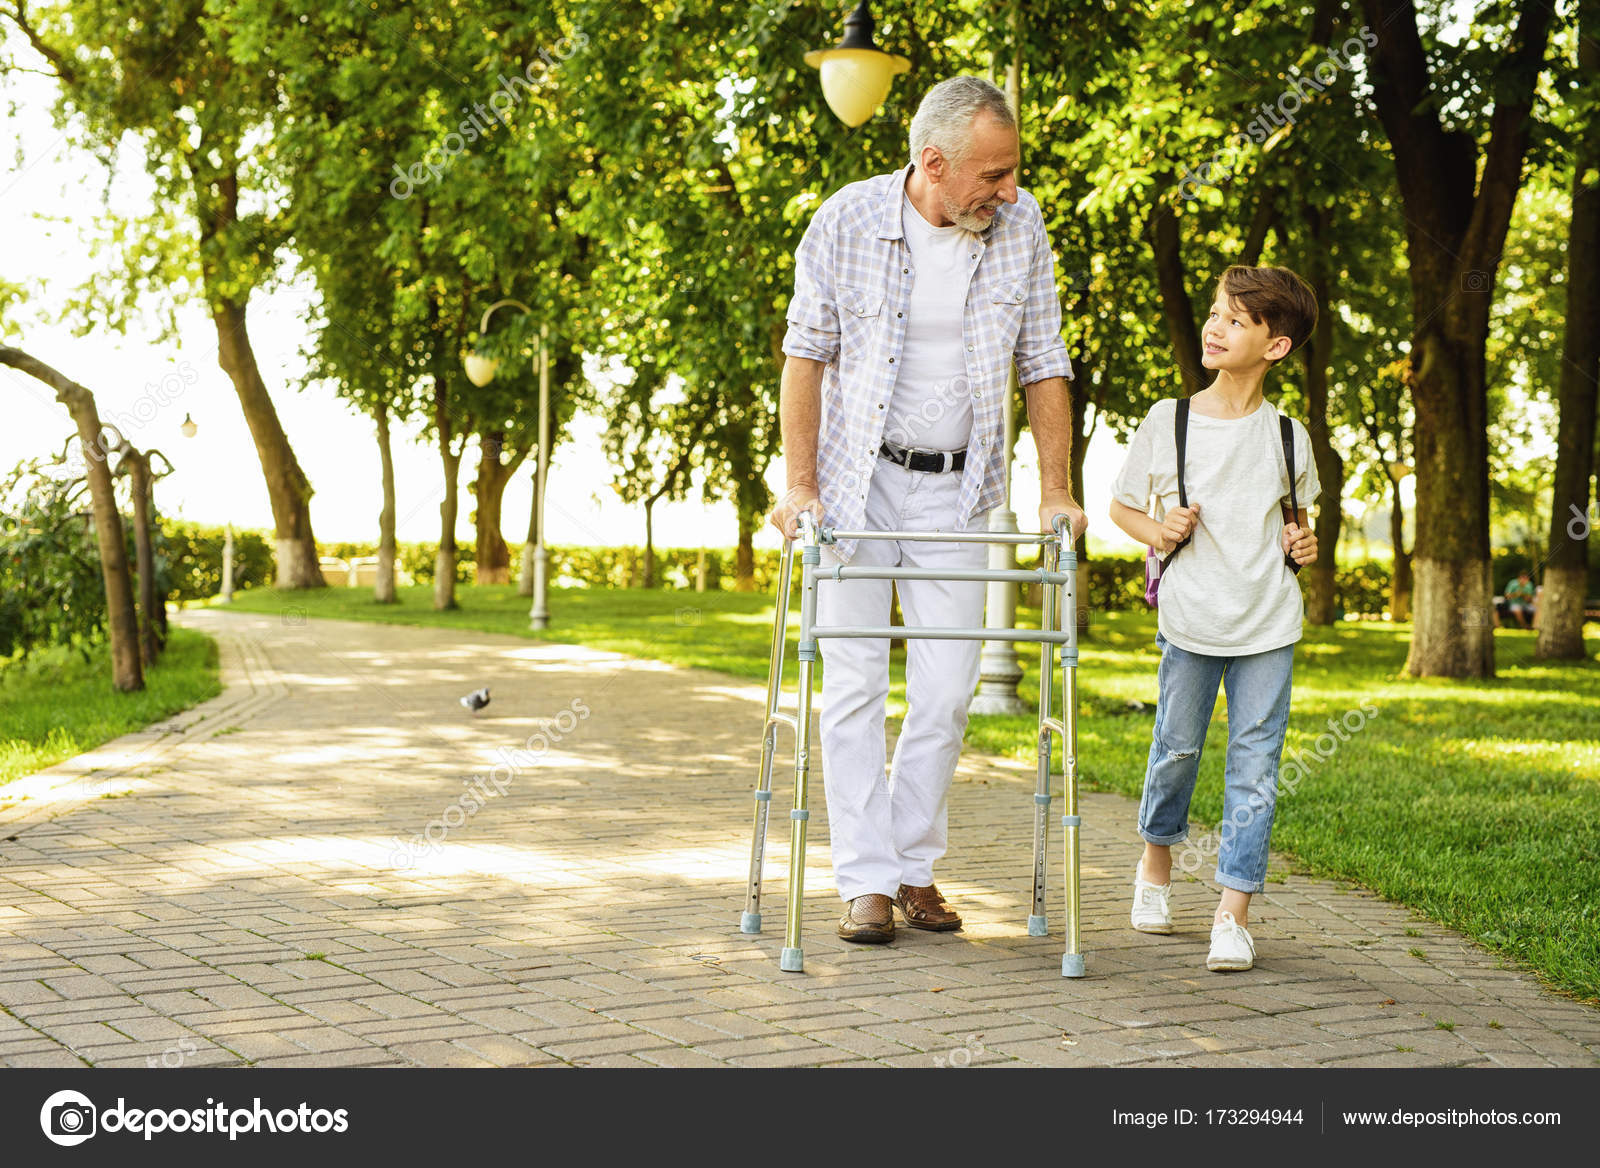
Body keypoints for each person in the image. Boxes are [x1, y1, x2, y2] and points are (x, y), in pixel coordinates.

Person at [768, 76, 1088, 945]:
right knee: (855, 684)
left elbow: (1045, 360)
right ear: (933, 162)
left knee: (948, 691)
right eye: (994, 174)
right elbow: (806, 354)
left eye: (1014, 172)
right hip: (855, 484)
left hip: (962, 488)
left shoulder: (1021, 230)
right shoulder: (845, 220)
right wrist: (800, 487)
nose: (1009, 191)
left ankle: (911, 863)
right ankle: (867, 882)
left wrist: (1056, 490)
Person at [1108, 265, 1320, 972]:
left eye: (1235, 319)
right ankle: (1155, 869)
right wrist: (1158, 530)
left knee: (1255, 768)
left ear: (1276, 346)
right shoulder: (1167, 421)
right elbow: (1122, 510)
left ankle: (1233, 914)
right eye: (1215, 313)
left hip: (1268, 621)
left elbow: (1298, 524)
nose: (1215, 325)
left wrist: (1304, 543)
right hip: (1193, 618)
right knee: (1176, 748)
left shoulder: (1289, 437)